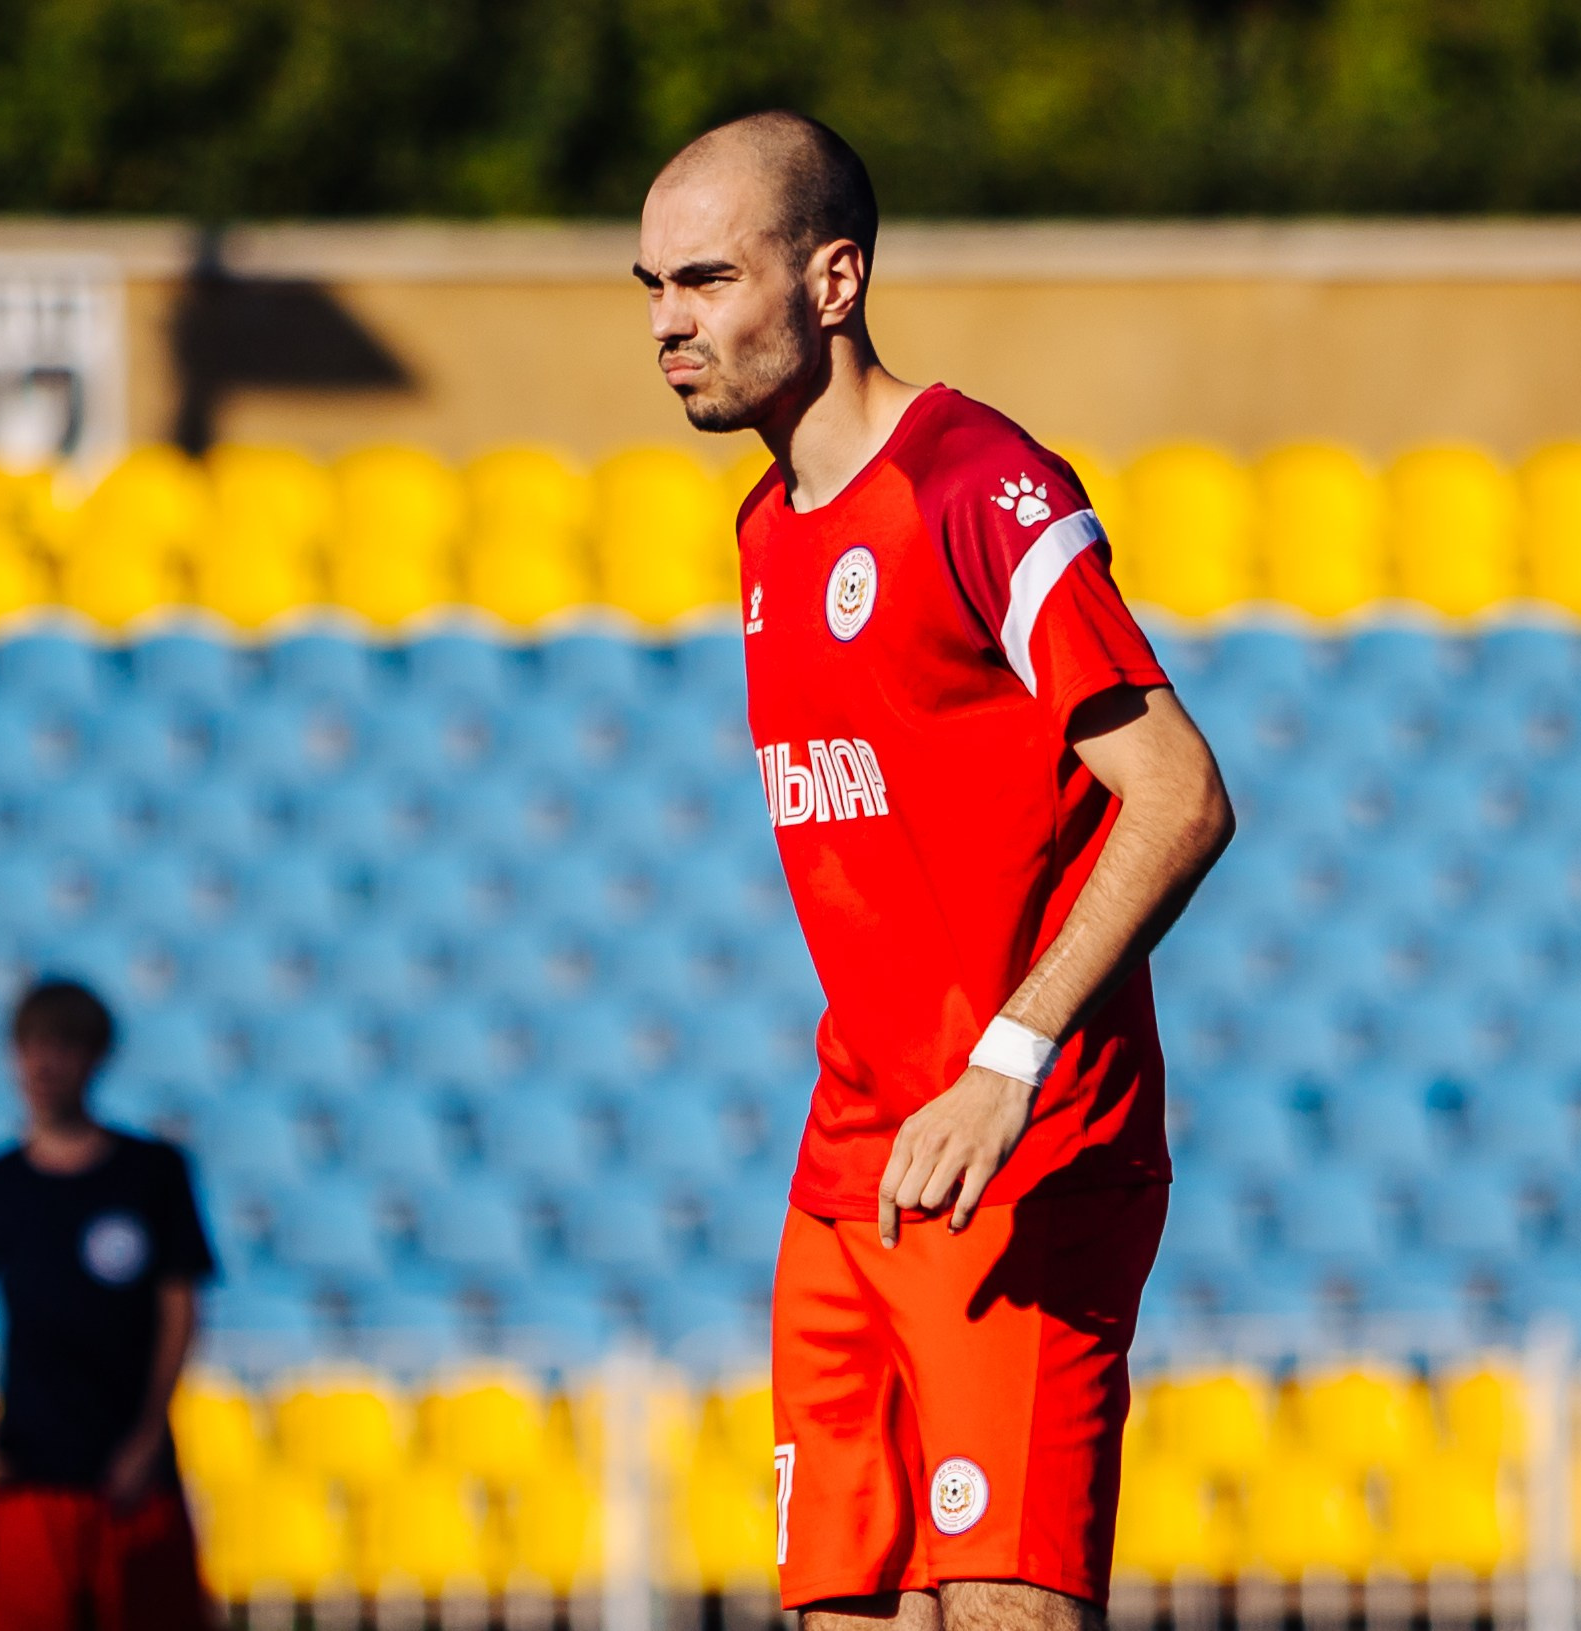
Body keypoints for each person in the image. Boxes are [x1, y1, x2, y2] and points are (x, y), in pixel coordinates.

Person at [635, 114, 1235, 1631]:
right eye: (651, 286)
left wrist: (1004, 1064)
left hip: (1019, 1158)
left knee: (1000, 1603)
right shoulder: (763, 525)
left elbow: (1177, 791)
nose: (665, 323)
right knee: (840, 1604)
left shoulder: (975, 483)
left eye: (705, 280)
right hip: (853, 1159)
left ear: (832, 279)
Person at [0, 978, 216, 1631]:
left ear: (95, 1056)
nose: (43, 1064)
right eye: (30, 1047)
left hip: (132, 1473)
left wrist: (148, 1432)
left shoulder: (151, 1172)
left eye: (62, 1046)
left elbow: (180, 1303)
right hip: (32, 1471)